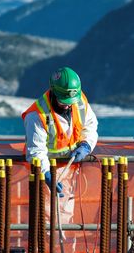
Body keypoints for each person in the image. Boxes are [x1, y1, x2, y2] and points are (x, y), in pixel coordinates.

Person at [21, 66, 98, 194]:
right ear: (53, 92)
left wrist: (86, 145)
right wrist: (46, 174)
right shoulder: (37, 115)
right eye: (64, 101)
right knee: (45, 210)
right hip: (45, 170)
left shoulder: (79, 102)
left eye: (71, 101)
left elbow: (90, 126)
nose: (68, 105)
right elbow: (36, 151)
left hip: (70, 167)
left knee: (66, 211)